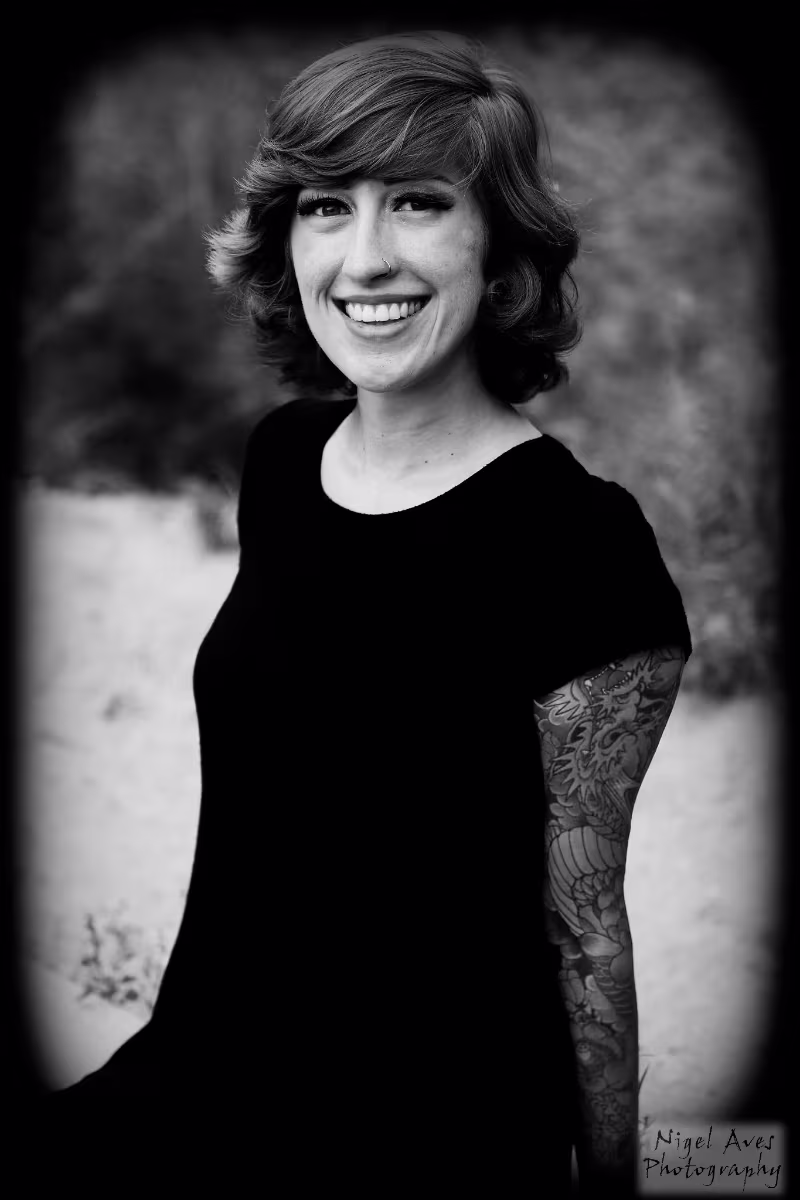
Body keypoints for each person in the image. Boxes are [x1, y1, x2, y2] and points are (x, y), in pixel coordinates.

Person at [33, 31, 692, 1194]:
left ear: (498, 247)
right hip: (193, 1083)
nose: (365, 257)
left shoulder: (581, 546)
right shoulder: (283, 461)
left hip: (410, 1141)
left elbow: (585, 927)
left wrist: (619, 1182)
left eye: (419, 202)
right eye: (326, 207)